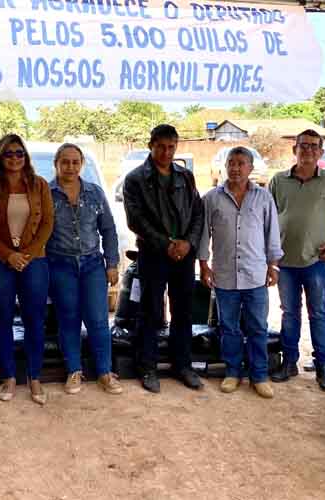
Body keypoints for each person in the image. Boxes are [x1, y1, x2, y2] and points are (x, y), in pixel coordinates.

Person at [122, 124, 204, 394]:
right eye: (161, 146)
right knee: (150, 312)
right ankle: (147, 366)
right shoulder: (135, 179)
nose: (167, 152)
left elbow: (197, 213)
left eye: (172, 147)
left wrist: (188, 242)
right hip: (154, 255)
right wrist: (165, 244)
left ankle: (183, 365)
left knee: (184, 311)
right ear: (151, 145)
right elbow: (136, 220)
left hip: (184, 255)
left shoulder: (186, 176)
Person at [268, 129, 325, 392]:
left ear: (320, 151)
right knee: (290, 314)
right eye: (303, 146)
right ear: (295, 150)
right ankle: (289, 362)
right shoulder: (278, 181)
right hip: (285, 262)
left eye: (314, 146)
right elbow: (267, 217)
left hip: (317, 261)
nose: (308, 150)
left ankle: (323, 366)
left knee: (320, 314)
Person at [0, 135, 53, 405]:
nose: (15, 158)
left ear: (26, 156)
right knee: (3, 320)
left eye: (19, 153)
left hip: (35, 261)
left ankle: (34, 377)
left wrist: (26, 255)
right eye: (9, 154)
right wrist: (9, 255)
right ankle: (8, 376)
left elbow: (47, 224)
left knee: (34, 320)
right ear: (0, 157)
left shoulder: (39, 184)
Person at [199, 147, 283, 398]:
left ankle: (259, 375)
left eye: (241, 163)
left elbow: (272, 233)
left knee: (258, 327)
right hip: (224, 275)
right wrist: (204, 265)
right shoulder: (212, 198)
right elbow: (204, 234)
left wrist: (273, 265)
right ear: (225, 167)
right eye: (231, 163)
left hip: (256, 274)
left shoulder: (264, 197)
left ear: (250, 167)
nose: (235, 168)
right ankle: (233, 372)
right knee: (229, 328)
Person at [46, 143, 123, 396]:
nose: (70, 167)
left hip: (92, 265)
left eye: (75, 162)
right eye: (65, 162)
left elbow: (109, 229)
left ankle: (104, 372)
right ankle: (74, 371)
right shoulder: (46, 193)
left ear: (81, 164)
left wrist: (112, 263)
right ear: (56, 164)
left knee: (98, 320)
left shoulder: (95, 193)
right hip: (60, 265)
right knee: (68, 320)